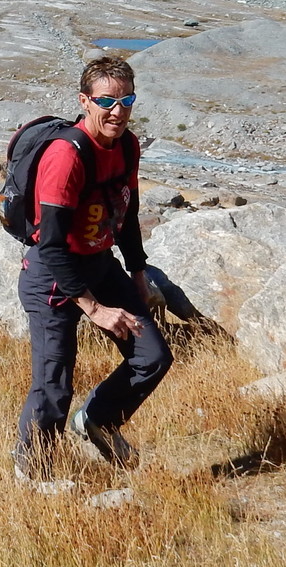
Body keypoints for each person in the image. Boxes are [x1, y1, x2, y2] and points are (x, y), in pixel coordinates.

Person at [14, 56, 171, 478]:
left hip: (100, 262)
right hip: (52, 274)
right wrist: (93, 307)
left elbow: (127, 213)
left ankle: (98, 420)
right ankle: (35, 472)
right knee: (54, 382)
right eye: (107, 101)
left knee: (152, 355)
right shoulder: (66, 156)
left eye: (126, 100)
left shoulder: (128, 146)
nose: (117, 111)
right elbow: (50, 244)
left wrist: (137, 273)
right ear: (85, 101)